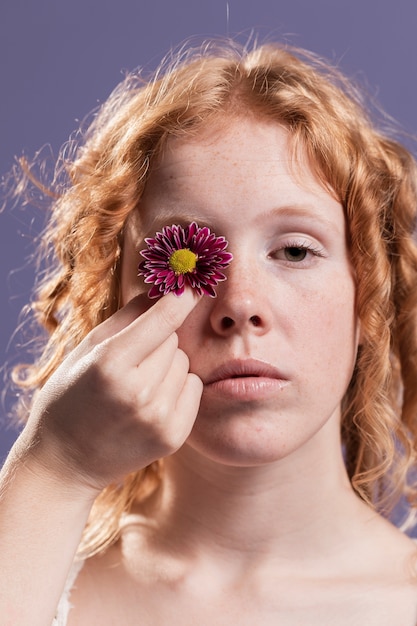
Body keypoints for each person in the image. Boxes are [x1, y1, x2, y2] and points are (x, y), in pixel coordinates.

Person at [1, 37, 417, 626]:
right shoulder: (35, 568)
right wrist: (52, 470)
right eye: (187, 260)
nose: (240, 305)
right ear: (110, 301)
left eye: (295, 250)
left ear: (368, 295)